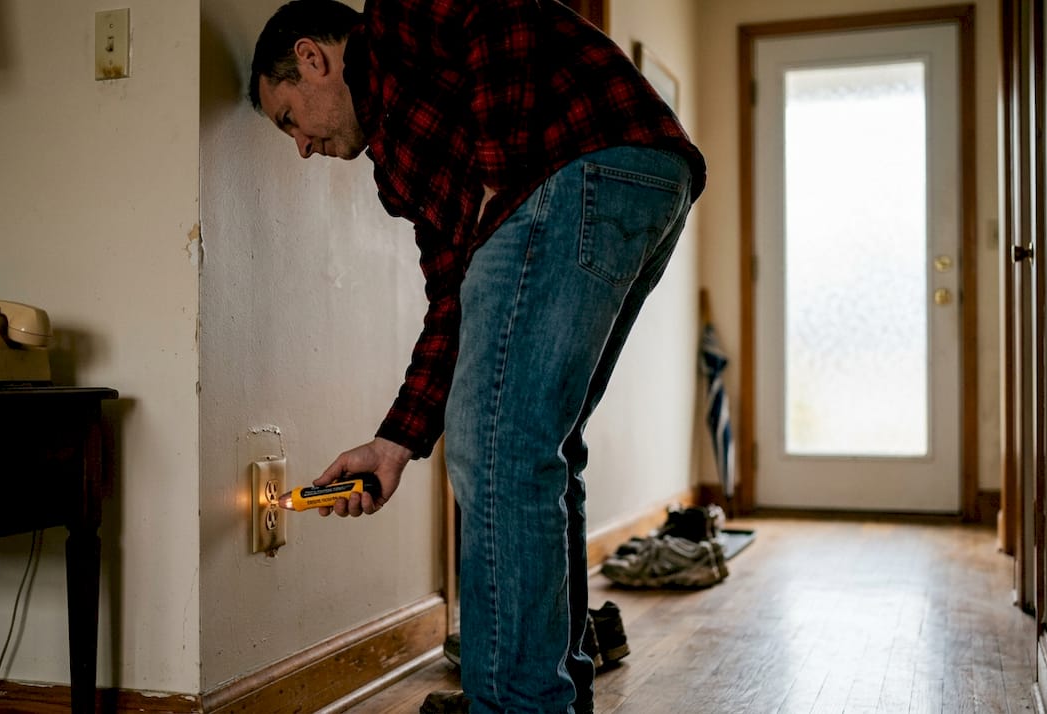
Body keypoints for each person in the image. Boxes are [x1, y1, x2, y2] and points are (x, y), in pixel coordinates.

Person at [249, 1, 705, 711]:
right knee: (541, 447)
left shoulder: (394, 19)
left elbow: (504, 11)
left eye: (288, 120)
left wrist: (498, 171)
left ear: (313, 59)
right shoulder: (396, 172)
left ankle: (516, 705)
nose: (300, 147)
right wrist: (395, 443)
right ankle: (557, 694)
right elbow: (453, 302)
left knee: (503, 450)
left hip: (586, 158)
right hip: (644, 174)